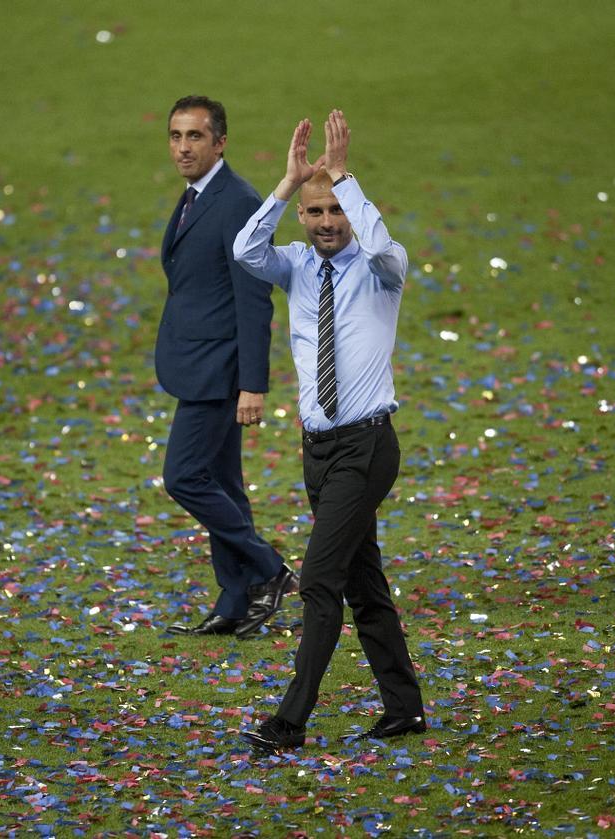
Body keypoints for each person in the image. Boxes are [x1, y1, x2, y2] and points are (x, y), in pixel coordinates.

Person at [232, 110, 425, 750]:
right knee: (365, 583)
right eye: (314, 212)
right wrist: (288, 185)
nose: (324, 222)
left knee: (319, 581)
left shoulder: (381, 268)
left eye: (335, 210)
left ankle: (290, 720)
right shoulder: (293, 265)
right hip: (317, 451)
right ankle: (405, 709)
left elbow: (379, 246)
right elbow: (244, 250)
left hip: (367, 446)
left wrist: (347, 179)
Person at [156, 95, 297, 639]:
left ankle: (269, 570)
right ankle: (235, 599)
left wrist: (252, 385)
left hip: (218, 369)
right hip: (197, 360)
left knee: (185, 476)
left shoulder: (237, 200)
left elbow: (252, 298)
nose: (183, 147)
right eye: (175, 136)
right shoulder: (197, 196)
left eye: (195, 136)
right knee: (222, 482)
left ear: (221, 142)